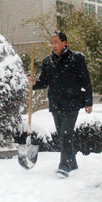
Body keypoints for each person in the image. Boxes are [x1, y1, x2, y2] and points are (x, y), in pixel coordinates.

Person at [29, 31, 93, 178]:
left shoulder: (76, 58)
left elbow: (85, 80)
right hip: (56, 102)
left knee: (65, 133)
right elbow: (44, 82)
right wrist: (34, 83)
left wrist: (88, 102)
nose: (53, 45)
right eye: (51, 43)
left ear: (64, 43)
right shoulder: (47, 61)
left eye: (56, 42)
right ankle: (72, 162)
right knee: (62, 134)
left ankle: (64, 166)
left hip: (73, 101)